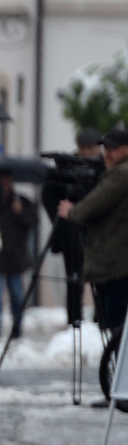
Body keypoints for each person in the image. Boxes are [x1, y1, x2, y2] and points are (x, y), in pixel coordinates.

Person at [59, 128, 128, 404]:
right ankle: (119, 388)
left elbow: (88, 209)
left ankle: (121, 390)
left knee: (118, 329)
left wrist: (70, 211)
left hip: (116, 263)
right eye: (106, 148)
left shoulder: (121, 175)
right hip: (114, 261)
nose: (107, 154)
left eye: (114, 148)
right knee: (117, 328)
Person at [0, 161, 36, 338]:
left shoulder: (21, 202)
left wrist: (19, 213)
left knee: (16, 295)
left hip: (16, 256)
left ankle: (17, 328)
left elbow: (31, 224)